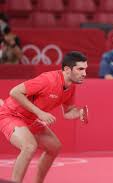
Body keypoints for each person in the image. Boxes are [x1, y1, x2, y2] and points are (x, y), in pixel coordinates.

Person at [0, 51, 88, 183]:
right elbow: (15, 92)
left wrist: (79, 113)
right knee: (29, 146)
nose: (84, 74)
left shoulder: (71, 87)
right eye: (80, 69)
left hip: (30, 119)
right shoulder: (48, 80)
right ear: (67, 70)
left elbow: (68, 112)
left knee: (54, 147)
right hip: (10, 114)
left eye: (85, 69)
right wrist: (40, 113)